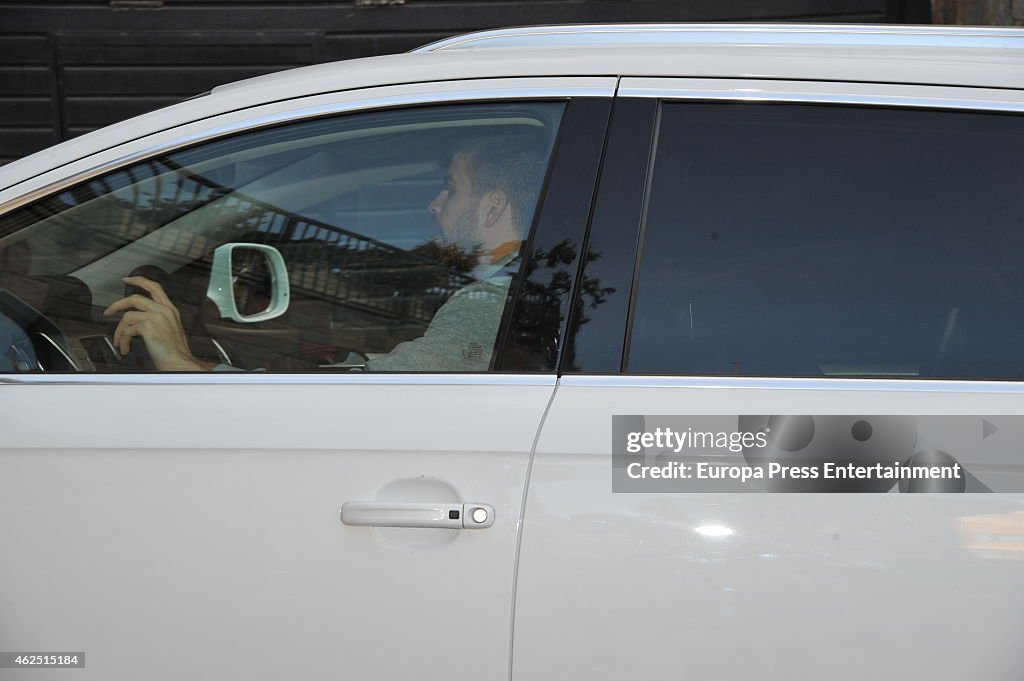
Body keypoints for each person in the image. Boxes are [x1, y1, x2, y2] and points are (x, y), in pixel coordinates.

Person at [103, 135, 547, 372]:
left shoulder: (492, 304)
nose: (433, 204)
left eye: (450, 187)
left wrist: (185, 365)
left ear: (493, 206)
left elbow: (364, 408)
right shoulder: (522, 287)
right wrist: (346, 362)